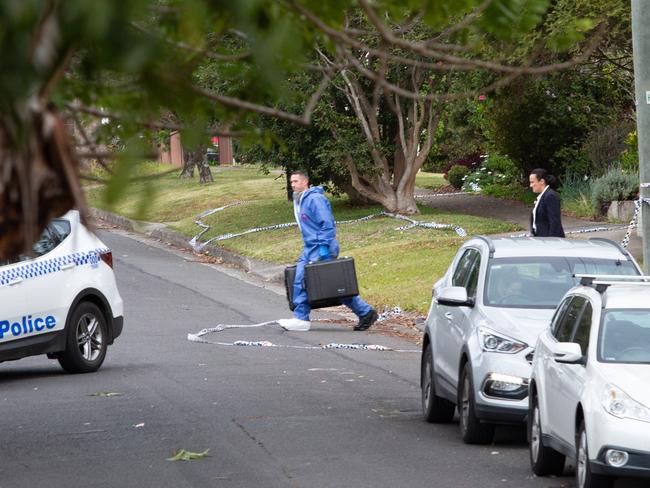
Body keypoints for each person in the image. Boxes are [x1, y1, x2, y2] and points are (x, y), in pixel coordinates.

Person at [278, 170, 378, 332]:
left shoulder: (314, 199)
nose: (292, 185)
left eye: (295, 181)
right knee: (330, 284)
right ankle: (366, 312)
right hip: (311, 247)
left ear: (305, 182)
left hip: (320, 246)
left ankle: (301, 318)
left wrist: (323, 246)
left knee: (304, 281)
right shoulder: (302, 200)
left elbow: (328, 224)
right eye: (291, 182)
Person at [529, 168, 565, 238]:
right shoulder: (542, 196)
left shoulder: (550, 196)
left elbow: (554, 222)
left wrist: (551, 242)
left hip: (549, 241)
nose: (530, 185)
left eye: (532, 182)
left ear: (542, 181)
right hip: (540, 238)